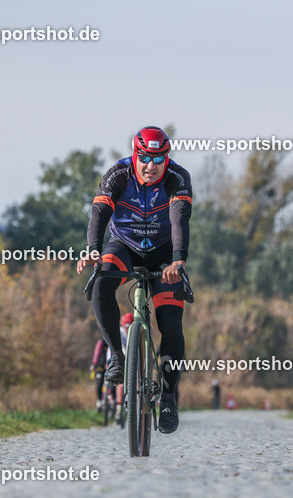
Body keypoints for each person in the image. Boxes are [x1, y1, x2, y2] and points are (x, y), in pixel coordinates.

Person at [77, 126, 193, 434]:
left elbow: (180, 218)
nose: (151, 166)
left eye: (158, 159)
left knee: (170, 324)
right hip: (124, 246)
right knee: (102, 277)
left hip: (164, 253)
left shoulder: (177, 178)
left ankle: (168, 399)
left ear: (167, 158)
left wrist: (179, 259)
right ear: (135, 154)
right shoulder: (118, 174)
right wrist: (92, 250)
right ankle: (117, 356)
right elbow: (99, 214)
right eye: (145, 158)